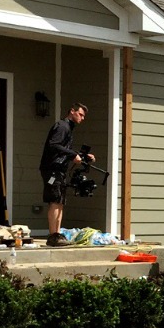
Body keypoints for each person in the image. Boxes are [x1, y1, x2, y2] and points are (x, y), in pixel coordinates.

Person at [38, 103, 95, 247]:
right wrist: (73, 154)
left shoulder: (68, 128)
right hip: (52, 169)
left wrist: (84, 156)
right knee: (55, 200)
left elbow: (63, 149)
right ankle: (53, 235)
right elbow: (53, 145)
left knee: (60, 201)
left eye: (83, 116)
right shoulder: (62, 126)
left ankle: (57, 234)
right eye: (80, 114)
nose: (82, 118)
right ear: (72, 111)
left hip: (60, 170)